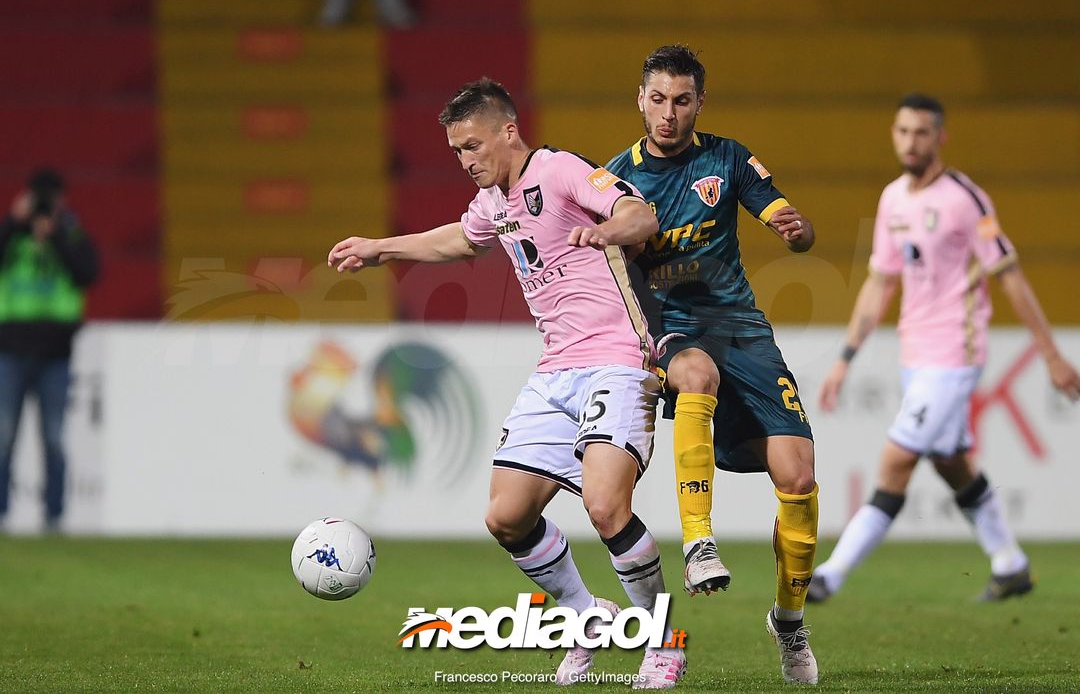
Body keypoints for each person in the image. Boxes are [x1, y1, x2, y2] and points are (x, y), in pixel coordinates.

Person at [328, 78, 686, 688]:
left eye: (472, 145)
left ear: (508, 131)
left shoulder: (560, 169)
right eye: (457, 152)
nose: (467, 161)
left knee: (604, 506)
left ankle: (661, 641)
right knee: (507, 518)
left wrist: (607, 230)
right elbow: (460, 239)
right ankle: (585, 619)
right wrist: (383, 249)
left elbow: (639, 212)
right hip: (554, 370)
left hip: (618, 358)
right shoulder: (496, 201)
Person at [809, 93, 1080, 604]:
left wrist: (1050, 354)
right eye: (903, 131)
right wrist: (845, 358)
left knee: (895, 462)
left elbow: (1010, 276)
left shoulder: (965, 200)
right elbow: (880, 283)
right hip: (916, 355)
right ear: (895, 134)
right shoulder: (893, 199)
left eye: (921, 133)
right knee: (951, 460)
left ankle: (829, 575)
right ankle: (1010, 563)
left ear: (940, 137)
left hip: (956, 355)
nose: (911, 142)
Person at [605, 45, 820, 686]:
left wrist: (794, 229)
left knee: (800, 480)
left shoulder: (726, 159)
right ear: (640, 99)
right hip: (673, 330)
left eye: (681, 100)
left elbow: (783, 215)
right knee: (695, 377)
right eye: (657, 99)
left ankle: (789, 621)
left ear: (700, 103)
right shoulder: (616, 180)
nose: (668, 113)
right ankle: (699, 540)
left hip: (743, 331)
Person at [0, 168, 99, 532]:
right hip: (9, 349)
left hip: (55, 354)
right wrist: (12, 221)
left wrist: (55, 236)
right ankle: (1, 516)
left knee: (54, 438)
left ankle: (55, 517)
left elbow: (87, 273)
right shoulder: (10, 234)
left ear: (63, 200)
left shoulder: (71, 235)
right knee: (2, 436)